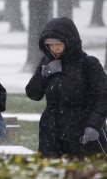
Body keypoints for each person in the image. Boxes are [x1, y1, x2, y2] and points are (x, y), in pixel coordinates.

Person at [26, 17, 107, 158]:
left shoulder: (88, 64)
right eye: (50, 44)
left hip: (81, 133)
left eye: (58, 43)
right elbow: (33, 93)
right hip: (50, 136)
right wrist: (45, 74)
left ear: (69, 42)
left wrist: (93, 124)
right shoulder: (47, 62)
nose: (54, 48)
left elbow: (103, 95)